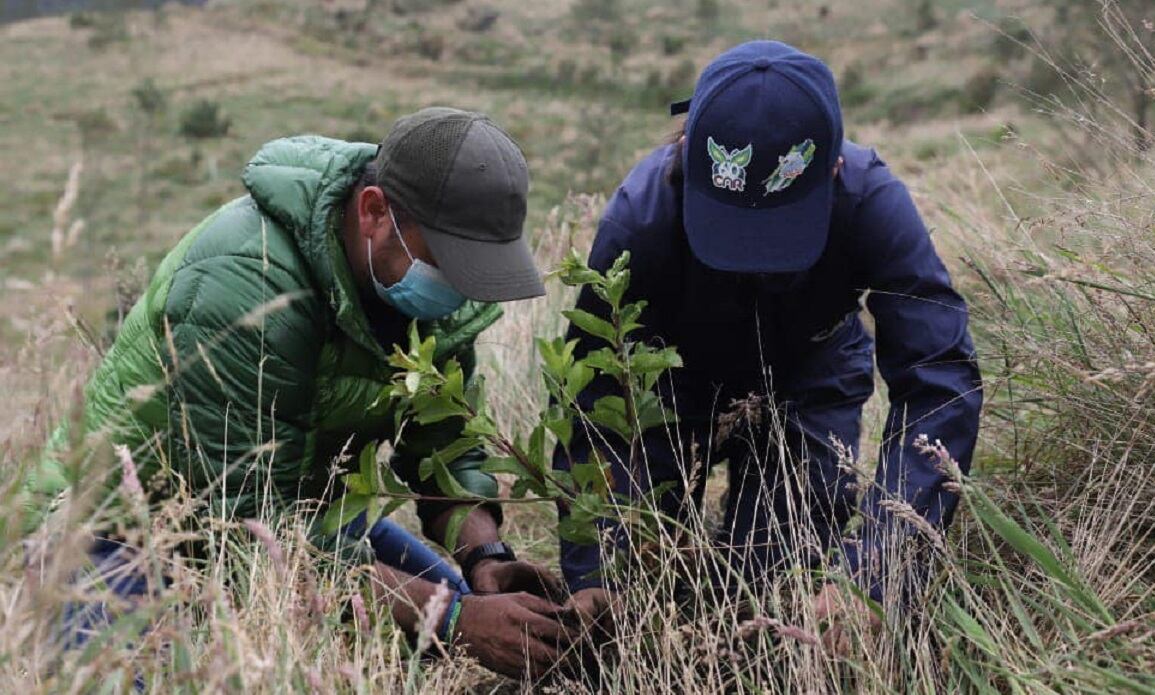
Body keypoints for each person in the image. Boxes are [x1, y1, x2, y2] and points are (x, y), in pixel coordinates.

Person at [27, 107, 575, 680]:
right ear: (373, 212)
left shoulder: (431, 300)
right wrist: (453, 616)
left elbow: (442, 448)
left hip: (296, 511)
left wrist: (483, 558)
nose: (460, 289)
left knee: (484, 631)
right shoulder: (241, 285)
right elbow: (242, 533)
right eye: (447, 263)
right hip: (116, 530)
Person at [556, 42, 983, 644]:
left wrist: (880, 566)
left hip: (812, 372)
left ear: (833, 166)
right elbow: (597, 395)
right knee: (634, 594)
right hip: (669, 382)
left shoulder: (873, 205)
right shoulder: (641, 222)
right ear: (689, 157)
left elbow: (937, 377)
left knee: (777, 590)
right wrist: (594, 565)